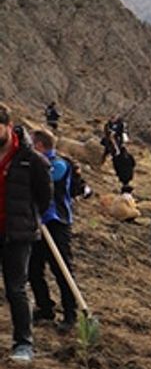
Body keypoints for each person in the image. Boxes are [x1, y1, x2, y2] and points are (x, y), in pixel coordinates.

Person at [1, 107, 52, 363]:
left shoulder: (31, 160)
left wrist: (25, 220)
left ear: (8, 126)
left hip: (17, 235)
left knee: (16, 288)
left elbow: (44, 198)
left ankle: (23, 343)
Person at [29, 130, 78, 334]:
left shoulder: (59, 164)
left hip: (56, 222)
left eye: (32, 144)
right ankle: (45, 307)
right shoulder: (35, 163)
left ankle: (70, 313)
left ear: (40, 145)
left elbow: (43, 182)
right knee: (33, 268)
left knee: (61, 269)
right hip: (36, 221)